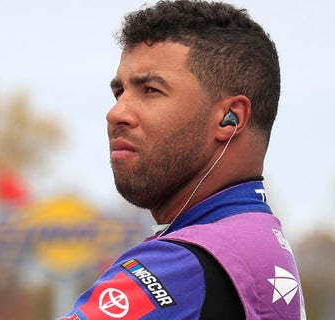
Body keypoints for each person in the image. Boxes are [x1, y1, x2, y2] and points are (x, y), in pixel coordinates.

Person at [59, 1, 305, 319]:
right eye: (119, 91)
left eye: (150, 90)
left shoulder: (183, 266)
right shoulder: (257, 237)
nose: (116, 112)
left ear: (230, 118)